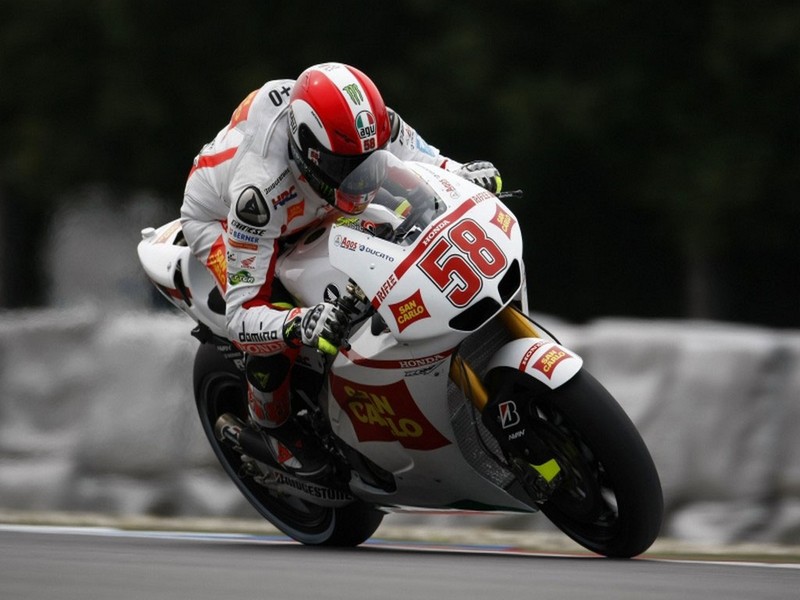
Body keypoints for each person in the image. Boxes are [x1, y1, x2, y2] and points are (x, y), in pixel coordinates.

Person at [180, 62, 501, 478]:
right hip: (222, 221)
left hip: (312, 200)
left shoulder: (367, 129)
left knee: (403, 218)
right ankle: (272, 425)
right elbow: (241, 316)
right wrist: (299, 323)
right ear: (307, 148)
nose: (361, 180)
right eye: (344, 167)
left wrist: (462, 175)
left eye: (366, 162)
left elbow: (425, 161)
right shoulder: (257, 193)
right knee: (278, 326)